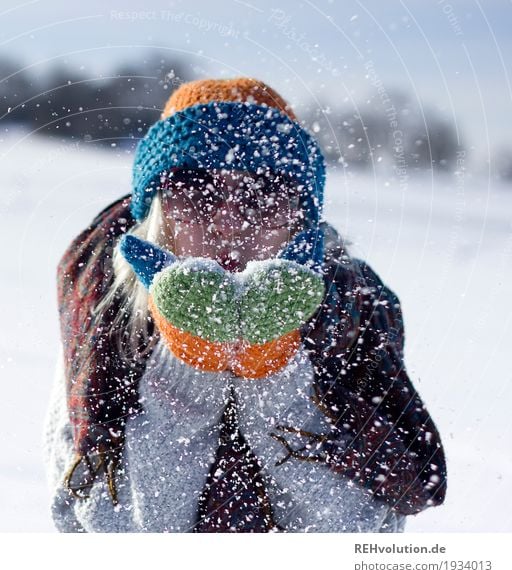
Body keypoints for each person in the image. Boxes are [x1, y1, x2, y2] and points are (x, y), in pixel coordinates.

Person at [44, 78, 447, 532]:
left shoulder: (351, 315)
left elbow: (364, 538)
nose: (231, 220)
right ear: (158, 208)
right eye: (196, 187)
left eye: (266, 190)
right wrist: (187, 367)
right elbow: (97, 532)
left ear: (302, 218)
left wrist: (274, 372)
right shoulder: (105, 309)